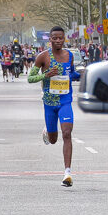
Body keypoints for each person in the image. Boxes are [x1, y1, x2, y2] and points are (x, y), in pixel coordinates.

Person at [29, 26, 80, 186]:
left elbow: (71, 73)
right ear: (50, 39)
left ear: (64, 39)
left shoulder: (69, 55)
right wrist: (45, 75)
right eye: (55, 38)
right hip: (49, 103)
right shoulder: (43, 57)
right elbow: (30, 78)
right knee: (53, 140)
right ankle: (47, 130)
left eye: (60, 38)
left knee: (67, 133)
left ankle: (67, 173)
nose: (58, 41)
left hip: (65, 101)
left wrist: (80, 74)